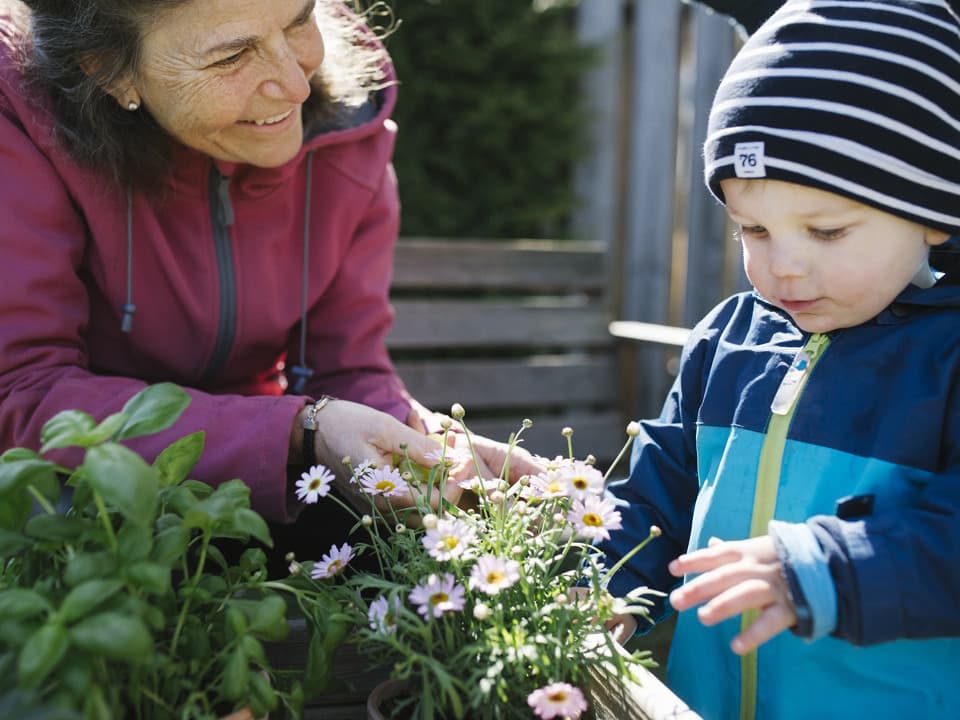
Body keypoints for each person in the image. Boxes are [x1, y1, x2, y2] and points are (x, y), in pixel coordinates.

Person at [0, 0, 516, 550]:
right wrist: (297, 432)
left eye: (300, 20)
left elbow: (344, 370)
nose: (298, 85)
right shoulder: (21, 125)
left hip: (257, 500)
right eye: (232, 56)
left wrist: (430, 455)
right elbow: (22, 392)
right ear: (106, 69)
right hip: (68, 512)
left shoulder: (349, 129)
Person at [599, 1, 960, 718]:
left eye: (826, 231)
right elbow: (653, 496)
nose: (782, 267)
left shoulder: (944, 362)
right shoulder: (729, 338)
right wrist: (600, 584)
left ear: (933, 214)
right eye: (753, 228)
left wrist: (828, 570)